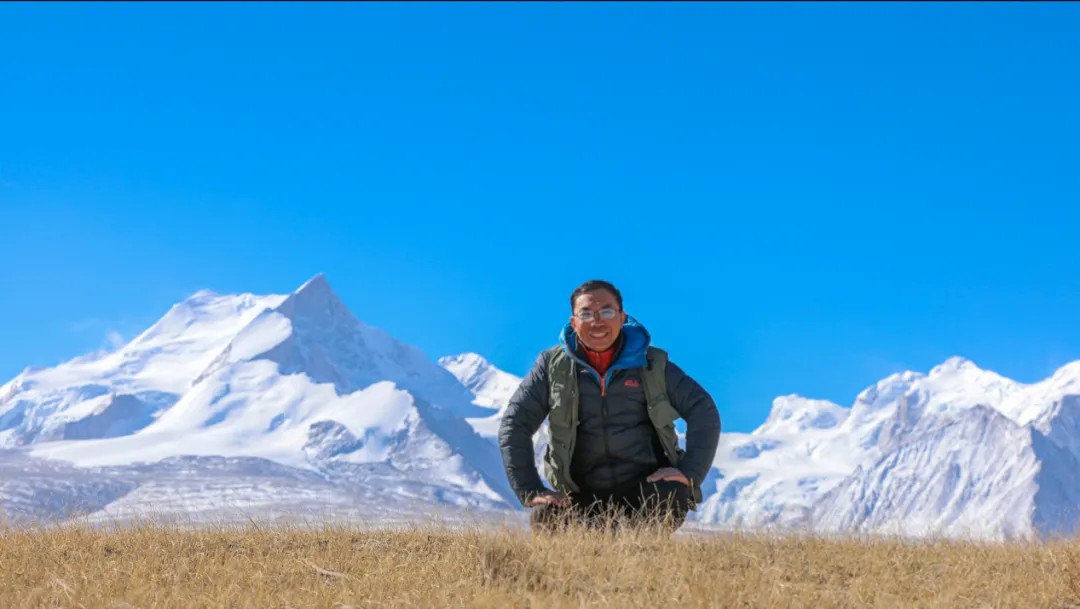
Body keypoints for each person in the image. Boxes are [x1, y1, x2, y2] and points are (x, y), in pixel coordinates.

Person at [498, 279, 721, 533]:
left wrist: (690, 472)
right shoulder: (551, 367)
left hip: (648, 495)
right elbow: (515, 424)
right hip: (580, 498)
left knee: (671, 495)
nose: (597, 322)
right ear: (573, 322)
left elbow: (702, 409)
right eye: (586, 314)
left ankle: (642, 551)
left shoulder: (652, 364)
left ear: (622, 317)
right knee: (545, 517)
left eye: (606, 312)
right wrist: (530, 489)